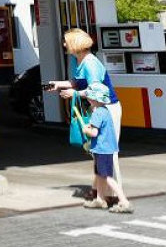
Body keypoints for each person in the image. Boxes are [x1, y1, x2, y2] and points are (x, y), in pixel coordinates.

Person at [50, 28, 124, 192]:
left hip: (107, 109)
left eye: (66, 41)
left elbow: (95, 90)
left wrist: (74, 93)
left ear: (75, 44)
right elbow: (78, 82)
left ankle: (112, 193)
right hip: (98, 108)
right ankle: (101, 191)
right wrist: (58, 84)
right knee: (96, 150)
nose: (64, 44)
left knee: (105, 151)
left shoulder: (90, 63)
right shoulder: (81, 61)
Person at [81, 82, 133, 213]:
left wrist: (85, 129)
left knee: (107, 177)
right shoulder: (105, 111)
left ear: (94, 98)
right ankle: (99, 199)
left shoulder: (97, 113)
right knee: (99, 175)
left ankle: (124, 201)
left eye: (89, 96)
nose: (87, 98)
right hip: (106, 148)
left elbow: (94, 133)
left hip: (101, 149)